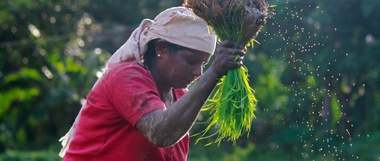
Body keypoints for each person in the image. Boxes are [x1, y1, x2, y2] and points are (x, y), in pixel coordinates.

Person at [59, 6, 245, 161]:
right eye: (191, 61)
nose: (198, 72)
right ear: (161, 48)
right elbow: (160, 133)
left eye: (204, 64)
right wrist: (214, 73)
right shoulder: (126, 77)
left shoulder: (179, 95)